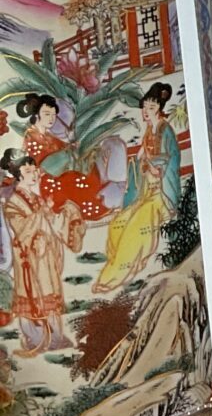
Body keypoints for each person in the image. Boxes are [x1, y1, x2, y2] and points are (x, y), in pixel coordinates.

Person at [95, 83, 180, 293]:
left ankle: (112, 278)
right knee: (117, 223)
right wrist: (142, 163)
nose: (146, 111)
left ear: (159, 108)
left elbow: (170, 159)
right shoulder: (149, 131)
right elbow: (140, 158)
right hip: (147, 192)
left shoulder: (165, 130)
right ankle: (133, 264)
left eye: (151, 108)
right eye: (145, 107)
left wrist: (152, 165)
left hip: (162, 194)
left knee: (135, 228)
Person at [0, 146, 70, 355]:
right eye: (30, 171)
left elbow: (47, 219)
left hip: (45, 255)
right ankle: (35, 338)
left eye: (35, 170)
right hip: (29, 257)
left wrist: (48, 210)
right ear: (19, 174)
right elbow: (21, 229)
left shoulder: (35, 197)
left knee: (49, 291)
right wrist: (40, 214)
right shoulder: (14, 201)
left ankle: (55, 336)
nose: (35, 174)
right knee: (32, 295)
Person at [16, 91, 106, 248]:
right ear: (37, 114)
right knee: (73, 180)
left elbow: (65, 148)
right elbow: (38, 163)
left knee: (85, 173)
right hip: (45, 180)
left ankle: (83, 214)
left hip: (58, 175)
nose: (51, 118)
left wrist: (75, 148)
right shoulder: (31, 137)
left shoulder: (50, 137)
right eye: (46, 114)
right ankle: (77, 219)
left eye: (53, 115)